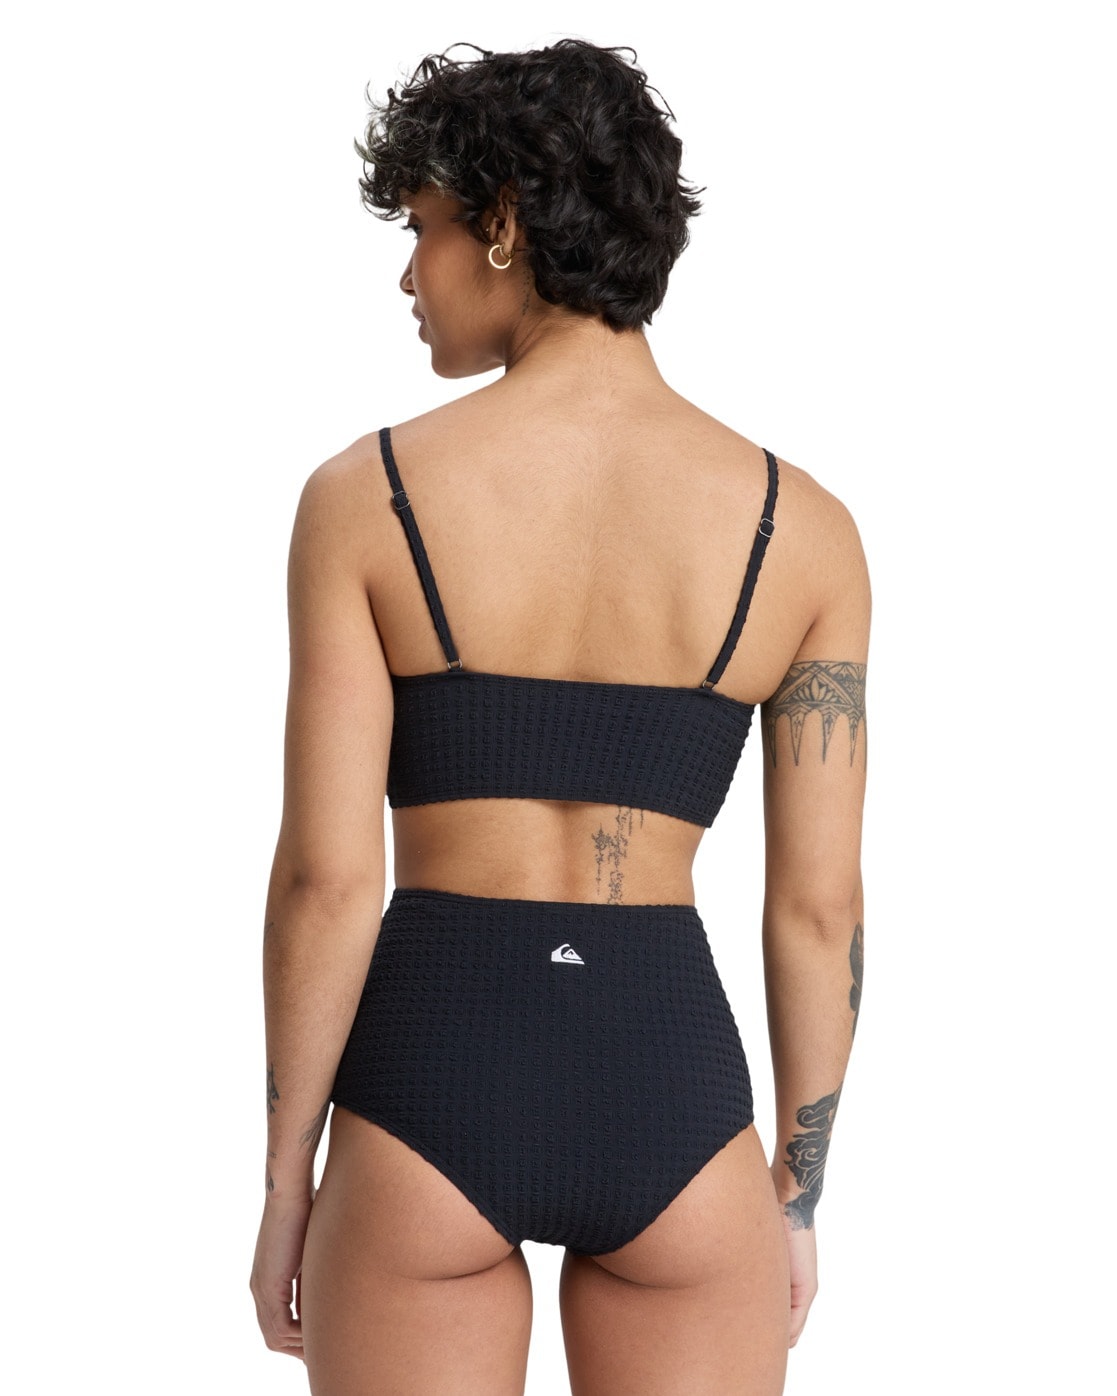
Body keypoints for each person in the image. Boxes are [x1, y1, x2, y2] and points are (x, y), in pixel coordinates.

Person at [249, 38, 869, 1396]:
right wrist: (797, 1194)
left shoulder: (364, 499)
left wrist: (289, 1180)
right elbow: (818, 910)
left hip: (429, 1083)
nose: (408, 278)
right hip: (670, 1095)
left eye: (420, 230)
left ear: (504, 225)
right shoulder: (805, 531)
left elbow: (326, 882)